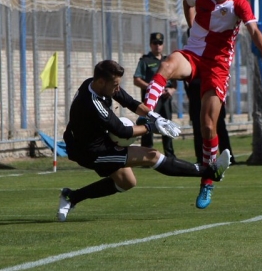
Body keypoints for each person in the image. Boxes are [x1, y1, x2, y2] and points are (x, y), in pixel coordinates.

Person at [142, 0, 262, 209]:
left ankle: (208, 181)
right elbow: (186, 2)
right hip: (193, 54)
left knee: (207, 124)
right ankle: (148, 114)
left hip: (217, 65)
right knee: (168, 63)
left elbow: (254, 30)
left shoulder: (239, 3)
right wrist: (192, 25)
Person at [57, 60, 230, 222]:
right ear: (102, 82)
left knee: (127, 182)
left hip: (97, 141)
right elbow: (122, 131)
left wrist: (155, 116)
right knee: (152, 156)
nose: (117, 88)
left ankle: (71, 196)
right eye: (115, 84)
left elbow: (129, 102)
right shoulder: (93, 104)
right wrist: (152, 128)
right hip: (90, 152)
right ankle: (210, 172)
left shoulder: (95, 84)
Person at [133, 32, 176, 157]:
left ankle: (170, 155)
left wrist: (172, 90)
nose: (158, 46)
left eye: (160, 43)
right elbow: (137, 79)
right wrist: (153, 88)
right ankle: (145, 156)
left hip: (165, 98)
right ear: (150, 45)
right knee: (148, 126)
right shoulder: (145, 61)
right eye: (155, 43)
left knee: (167, 125)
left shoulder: (167, 60)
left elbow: (174, 81)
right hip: (151, 101)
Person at [186, 77, 236, 165]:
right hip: (196, 93)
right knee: (198, 128)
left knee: (219, 127)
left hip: (212, 91)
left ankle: (228, 157)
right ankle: (201, 158)